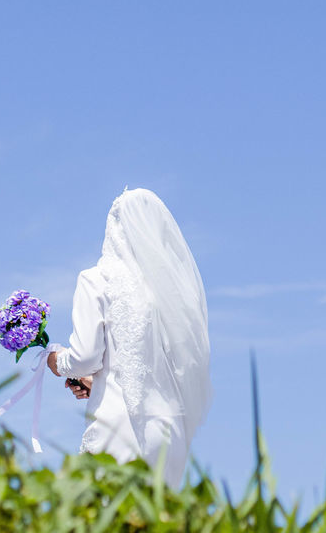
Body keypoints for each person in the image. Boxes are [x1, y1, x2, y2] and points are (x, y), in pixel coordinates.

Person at [47, 187, 212, 486]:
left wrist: (55, 360)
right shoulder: (171, 296)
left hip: (119, 428)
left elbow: (84, 357)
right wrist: (97, 380)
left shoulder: (96, 279)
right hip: (167, 431)